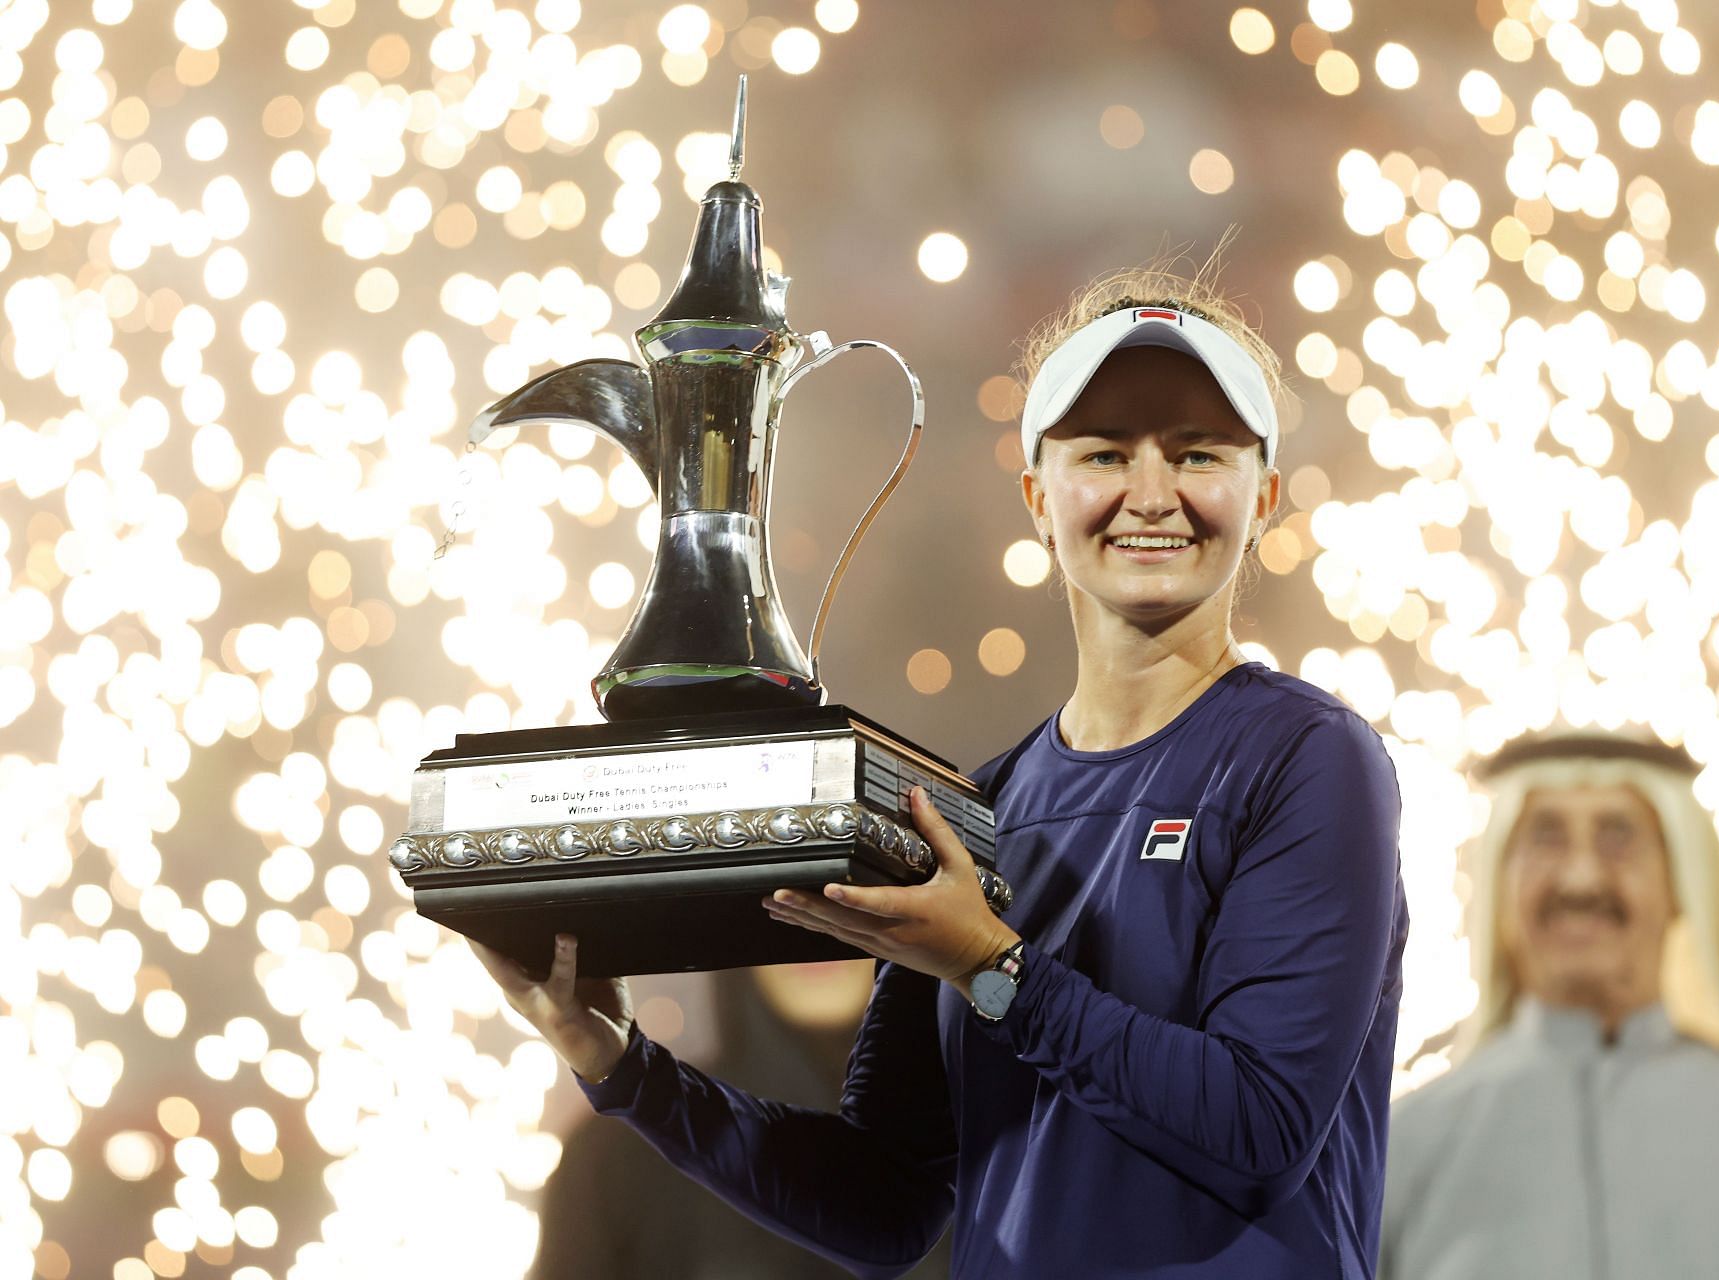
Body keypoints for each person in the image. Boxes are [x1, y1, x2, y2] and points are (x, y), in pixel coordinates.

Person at [476, 260, 1409, 1278]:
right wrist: (618, 1061)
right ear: (1037, 498)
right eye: (1104, 452)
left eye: (1198, 452)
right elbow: (885, 1200)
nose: (1153, 492)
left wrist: (992, 969)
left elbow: (1260, 1122)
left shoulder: (1311, 759)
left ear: (1264, 494)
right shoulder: (986, 803)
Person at [1380, 731, 1719, 1280]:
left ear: (1681, 880)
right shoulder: (1406, 1145)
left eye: (1619, 836)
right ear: (1500, 878)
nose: (1581, 878)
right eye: (1546, 837)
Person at [530, 962, 951, 1278]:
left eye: (850, 885)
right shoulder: (618, 1152)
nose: (816, 926)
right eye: (787, 895)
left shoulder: (994, 1136)